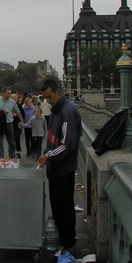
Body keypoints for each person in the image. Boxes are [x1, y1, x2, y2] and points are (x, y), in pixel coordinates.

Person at [38, 79, 82, 253]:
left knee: (64, 209)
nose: (48, 100)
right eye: (45, 97)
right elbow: (52, 139)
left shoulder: (67, 112)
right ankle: (63, 241)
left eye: (50, 96)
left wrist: (48, 155)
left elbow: (67, 144)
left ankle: (68, 244)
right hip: (55, 170)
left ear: (58, 92)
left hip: (64, 169)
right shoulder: (57, 110)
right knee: (57, 207)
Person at [0, 86, 23, 159]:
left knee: (11, 141)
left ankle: (12, 156)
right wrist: (1, 112)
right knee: (0, 142)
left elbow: (18, 112)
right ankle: (0, 157)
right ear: (3, 93)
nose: (9, 95)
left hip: (9, 123)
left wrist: (22, 121)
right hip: (0, 123)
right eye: (8, 93)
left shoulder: (12, 101)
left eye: (10, 93)